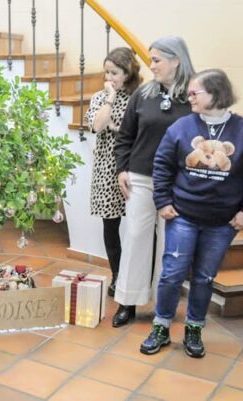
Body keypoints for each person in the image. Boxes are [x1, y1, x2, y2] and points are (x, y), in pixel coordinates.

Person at [142, 69, 243, 357]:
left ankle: (194, 329)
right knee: (172, 274)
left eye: (194, 92)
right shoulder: (180, 127)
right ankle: (161, 326)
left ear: (215, 93)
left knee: (203, 278)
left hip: (222, 222)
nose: (189, 97)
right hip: (182, 216)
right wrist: (162, 201)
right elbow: (162, 165)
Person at [111, 36, 195, 327]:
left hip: (178, 183)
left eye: (157, 59)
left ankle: (164, 306)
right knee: (134, 237)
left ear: (176, 60)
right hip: (140, 177)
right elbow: (125, 137)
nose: (151, 65)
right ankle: (127, 302)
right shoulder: (143, 94)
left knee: (169, 246)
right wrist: (122, 169)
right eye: (151, 59)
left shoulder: (193, 97)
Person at [85, 47, 142, 297]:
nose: (109, 78)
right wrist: (109, 97)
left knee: (139, 225)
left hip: (134, 166)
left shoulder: (140, 97)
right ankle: (117, 275)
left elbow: (141, 134)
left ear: (128, 73)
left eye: (115, 73)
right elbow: (97, 126)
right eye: (106, 72)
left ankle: (137, 277)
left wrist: (116, 127)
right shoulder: (100, 97)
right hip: (106, 169)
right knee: (111, 225)